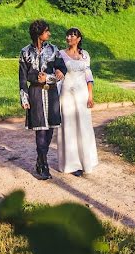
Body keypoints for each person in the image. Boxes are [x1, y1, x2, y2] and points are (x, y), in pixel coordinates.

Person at [18, 19, 66, 180]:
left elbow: (61, 70)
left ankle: (40, 159)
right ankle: (43, 164)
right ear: (39, 34)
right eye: (47, 31)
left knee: (50, 128)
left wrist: (52, 76)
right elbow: (23, 78)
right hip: (35, 94)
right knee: (40, 130)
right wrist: (24, 98)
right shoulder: (25, 52)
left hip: (51, 93)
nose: (49, 34)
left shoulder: (54, 50)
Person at [56, 27, 98, 176]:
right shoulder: (60, 54)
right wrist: (57, 72)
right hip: (67, 92)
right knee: (68, 125)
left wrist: (90, 96)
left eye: (73, 35)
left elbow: (88, 75)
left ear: (79, 39)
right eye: (68, 35)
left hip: (82, 93)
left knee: (84, 125)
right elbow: (57, 71)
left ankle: (87, 160)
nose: (69, 38)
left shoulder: (85, 55)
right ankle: (71, 164)